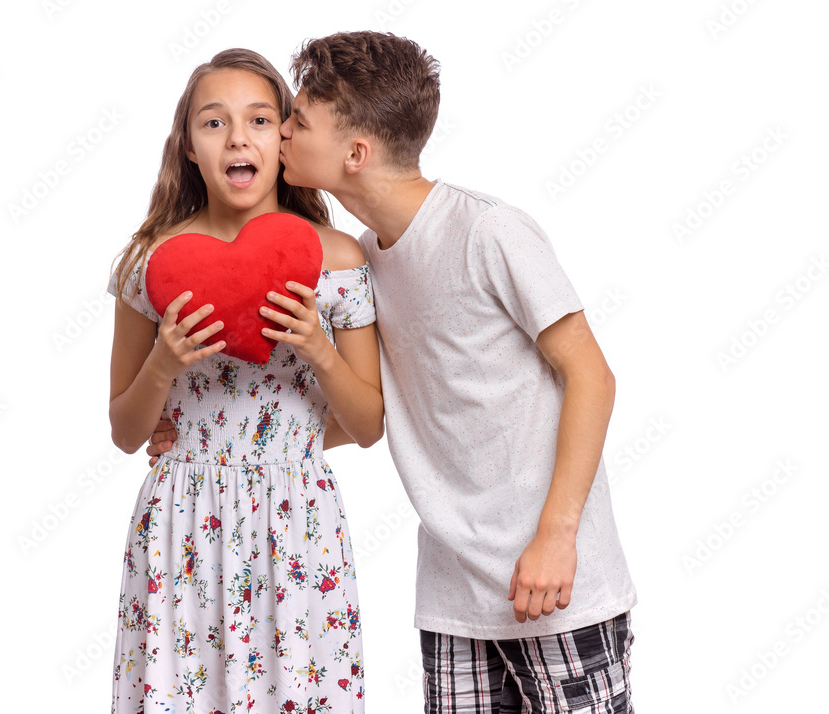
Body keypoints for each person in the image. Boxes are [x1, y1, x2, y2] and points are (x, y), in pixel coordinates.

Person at [149, 32, 637, 713]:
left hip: (556, 582)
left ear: (356, 153)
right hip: (451, 597)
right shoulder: (365, 262)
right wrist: (222, 438)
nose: (279, 132)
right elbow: (376, 411)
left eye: (297, 122)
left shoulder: (488, 232)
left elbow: (593, 375)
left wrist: (556, 537)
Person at [107, 47, 383, 714]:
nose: (238, 137)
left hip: (297, 522)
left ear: (284, 138)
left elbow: (370, 424)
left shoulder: (337, 257)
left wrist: (318, 347)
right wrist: (164, 366)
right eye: (214, 122)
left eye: (260, 120)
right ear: (189, 147)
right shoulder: (150, 264)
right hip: (181, 525)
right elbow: (124, 431)